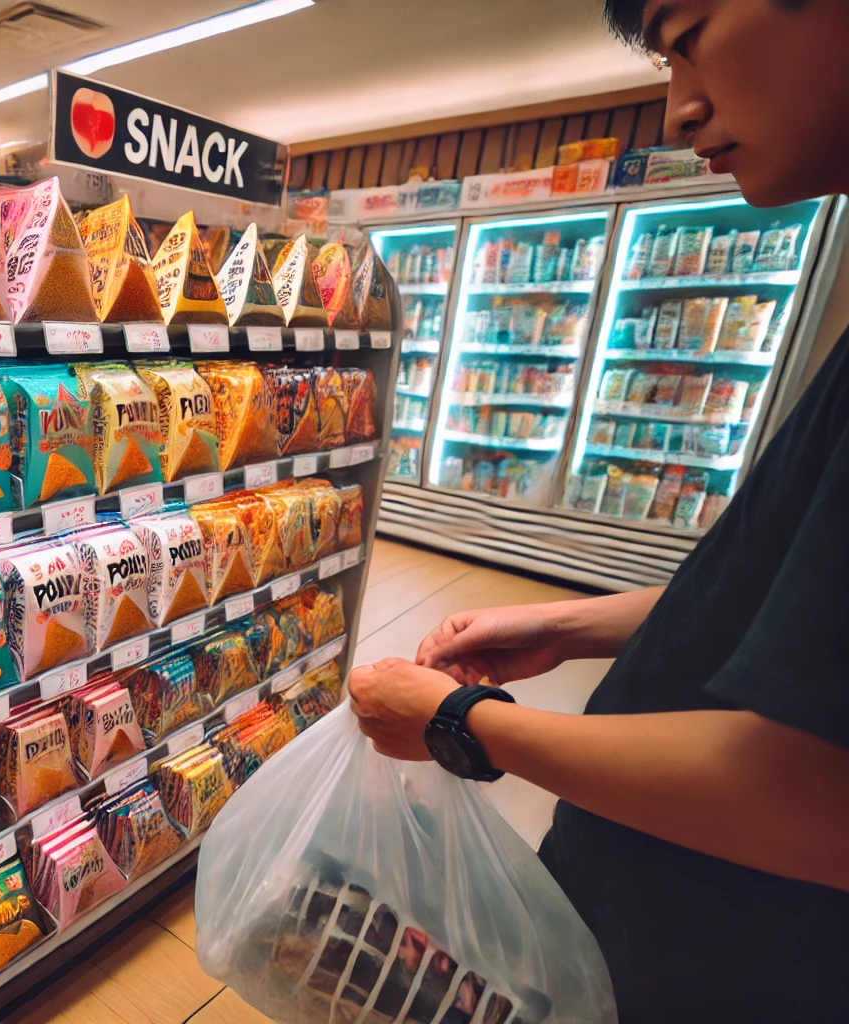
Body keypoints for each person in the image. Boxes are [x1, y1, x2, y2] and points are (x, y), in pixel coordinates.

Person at [345, 0, 849, 1019]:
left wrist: (459, 721)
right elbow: (799, 607)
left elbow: (808, 793)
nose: (677, 108)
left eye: (687, 31)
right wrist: (569, 621)